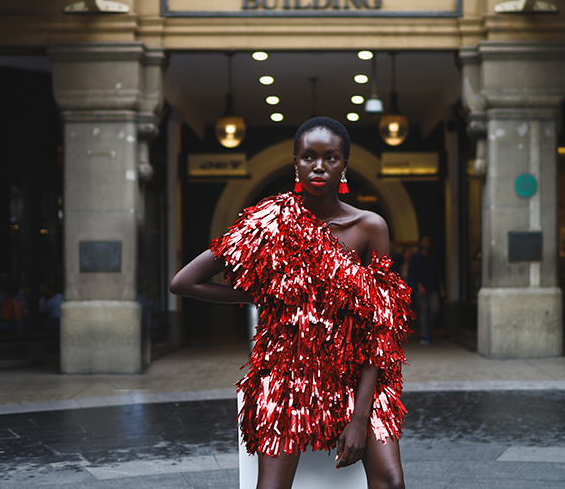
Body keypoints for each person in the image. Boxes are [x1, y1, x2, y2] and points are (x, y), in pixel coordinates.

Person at [170, 117, 411, 489]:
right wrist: (262, 294)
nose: (318, 166)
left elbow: (380, 326)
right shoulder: (269, 222)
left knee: (392, 481)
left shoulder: (370, 227)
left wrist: (359, 417)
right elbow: (183, 282)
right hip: (289, 375)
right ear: (294, 163)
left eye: (331, 157)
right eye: (308, 157)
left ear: (344, 165)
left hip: (358, 375)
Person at [408, 235, 444, 344]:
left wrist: (441, 287)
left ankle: (428, 329)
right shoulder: (416, 258)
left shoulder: (432, 258)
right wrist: (419, 286)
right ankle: (425, 335)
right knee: (424, 311)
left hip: (433, 288)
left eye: (427, 241)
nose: (425, 243)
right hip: (421, 289)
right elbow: (413, 274)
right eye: (424, 241)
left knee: (435, 309)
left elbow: (438, 273)